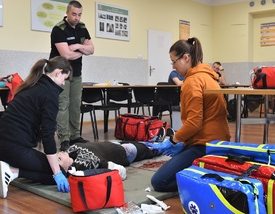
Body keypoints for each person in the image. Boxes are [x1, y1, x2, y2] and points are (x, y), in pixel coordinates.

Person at [146, 37, 231, 192]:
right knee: (179, 162)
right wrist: (183, 142)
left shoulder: (192, 82)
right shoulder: (209, 76)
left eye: (173, 61)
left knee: (159, 182)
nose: (173, 66)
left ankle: (205, 183)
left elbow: (194, 123)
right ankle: (205, 172)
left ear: (186, 57)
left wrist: (172, 140)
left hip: (205, 145)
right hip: (220, 141)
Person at [0, 56, 72, 199]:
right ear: (58, 72)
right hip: (14, 149)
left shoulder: (32, 84)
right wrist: (57, 173)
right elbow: (47, 135)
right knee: (59, 173)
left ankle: (1, 164)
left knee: (49, 167)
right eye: (64, 78)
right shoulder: (50, 93)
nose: (63, 84)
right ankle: (12, 171)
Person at [49, 1, 94, 151]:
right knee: (63, 105)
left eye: (79, 14)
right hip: (60, 73)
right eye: (74, 14)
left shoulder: (82, 28)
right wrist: (83, 50)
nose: (76, 17)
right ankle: (64, 139)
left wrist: (78, 46)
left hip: (76, 73)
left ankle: (75, 136)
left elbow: (92, 49)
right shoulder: (59, 29)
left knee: (75, 105)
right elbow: (66, 54)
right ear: (67, 12)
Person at [58, 141, 161, 180]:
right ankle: (158, 147)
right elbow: (116, 169)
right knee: (147, 150)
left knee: (137, 143)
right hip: (122, 152)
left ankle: (153, 141)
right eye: (59, 159)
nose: (60, 153)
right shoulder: (83, 164)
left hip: (111, 143)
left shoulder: (69, 151)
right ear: (65, 168)